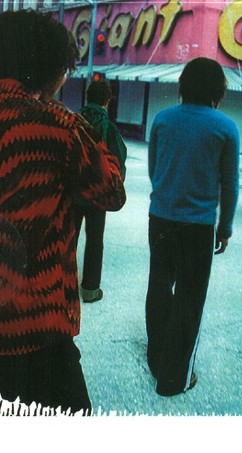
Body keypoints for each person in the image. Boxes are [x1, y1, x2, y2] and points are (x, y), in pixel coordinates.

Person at [0, 10, 126, 415]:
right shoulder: (59, 126)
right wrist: (86, 130)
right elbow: (112, 191)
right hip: (36, 328)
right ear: (50, 71)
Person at [146, 57, 239, 397]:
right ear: (218, 90)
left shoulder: (162, 120)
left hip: (160, 218)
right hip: (198, 226)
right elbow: (229, 185)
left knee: (159, 286)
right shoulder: (226, 128)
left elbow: (155, 169)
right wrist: (225, 227)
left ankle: (157, 358)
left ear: (183, 85)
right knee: (189, 296)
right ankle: (174, 378)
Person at [75, 79, 127, 303]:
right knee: (95, 240)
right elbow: (119, 160)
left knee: (68, 239)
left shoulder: (73, 122)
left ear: (87, 98)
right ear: (107, 101)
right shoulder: (109, 129)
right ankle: (90, 290)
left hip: (72, 193)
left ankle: (63, 286)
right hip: (98, 194)